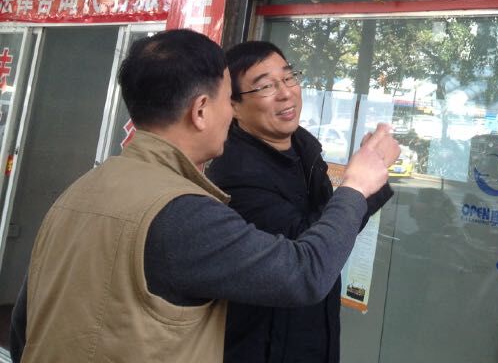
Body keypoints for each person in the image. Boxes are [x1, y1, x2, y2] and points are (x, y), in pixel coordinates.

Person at [9, 29, 398, 363]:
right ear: (200, 111)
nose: (230, 117)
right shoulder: (182, 211)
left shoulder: (77, 191)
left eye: (287, 78)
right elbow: (304, 274)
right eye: (227, 99)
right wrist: (356, 186)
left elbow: (24, 324)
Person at [206, 41, 393, 363]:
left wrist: (368, 172)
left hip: (314, 331)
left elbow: (332, 230)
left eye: (289, 77)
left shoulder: (305, 152)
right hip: (265, 345)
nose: (285, 93)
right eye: (265, 86)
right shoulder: (234, 172)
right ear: (233, 105)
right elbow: (308, 248)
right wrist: (362, 185)